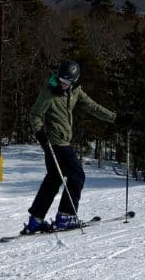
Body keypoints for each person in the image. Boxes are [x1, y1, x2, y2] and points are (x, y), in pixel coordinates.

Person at [24, 60, 133, 233]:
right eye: (61, 80)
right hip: (55, 143)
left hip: (62, 142)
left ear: (74, 82)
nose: (63, 84)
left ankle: (35, 220)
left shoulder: (75, 92)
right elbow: (35, 115)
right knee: (77, 176)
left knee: (53, 180)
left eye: (68, 82)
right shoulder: (49, 92)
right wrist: (40, 133)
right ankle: (66, 216)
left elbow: (92, 107)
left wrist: (116, 118)